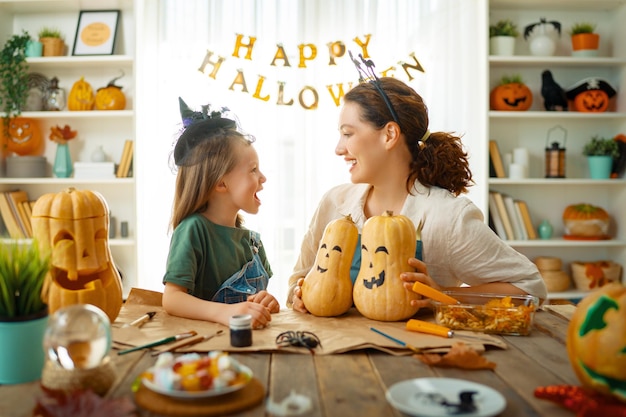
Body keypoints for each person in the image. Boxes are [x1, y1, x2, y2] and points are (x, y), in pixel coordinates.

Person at [287, 57, 547, 313]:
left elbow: (531, 289)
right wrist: (300, 296)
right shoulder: (334, 203)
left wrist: (442, 294)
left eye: (348, 133)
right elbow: (298, 280)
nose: (339, 148)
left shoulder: (447, 217)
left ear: (389, 135)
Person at [162, 98, 280, 328]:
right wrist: (225, 313)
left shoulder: (253, 243)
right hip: (206, 350)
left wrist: (266, 303)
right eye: (253, 170)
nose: (263, 178)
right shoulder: (193, 230)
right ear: (221, 183)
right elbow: (172, 299)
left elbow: (253, 306)